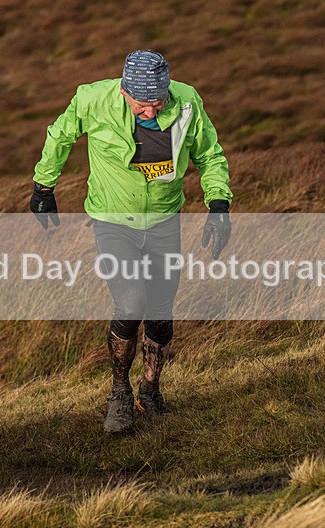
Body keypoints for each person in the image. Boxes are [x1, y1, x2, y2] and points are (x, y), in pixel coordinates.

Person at [30, 50, 233, 434]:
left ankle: (150, 391)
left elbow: (210, 154)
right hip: (112, 221)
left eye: (158, 104)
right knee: (131, 302)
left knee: (160, 313)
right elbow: (60, 134)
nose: (151, 113)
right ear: (124, 92)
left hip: (163, 220)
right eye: (143, 106)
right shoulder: (93, 99)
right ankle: (119, 392)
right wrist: (44, 185)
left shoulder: (187, 101)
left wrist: (219, 203)